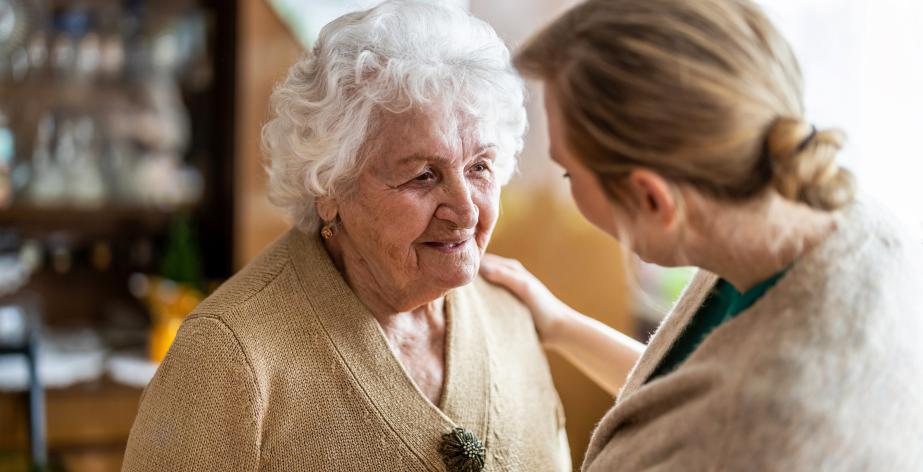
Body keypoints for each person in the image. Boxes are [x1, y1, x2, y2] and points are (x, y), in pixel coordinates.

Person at [122, 2, 571, 471]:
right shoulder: (226, 357)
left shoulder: (511, 316)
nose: (465, 210)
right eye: (422, 175)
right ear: (329, 186)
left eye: (480, 167)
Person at [481, 0, 923, 470]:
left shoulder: (772, 433)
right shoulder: (832, 221)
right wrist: (560, 325)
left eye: (569, 173)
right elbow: (687, 398)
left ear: (652, 199)